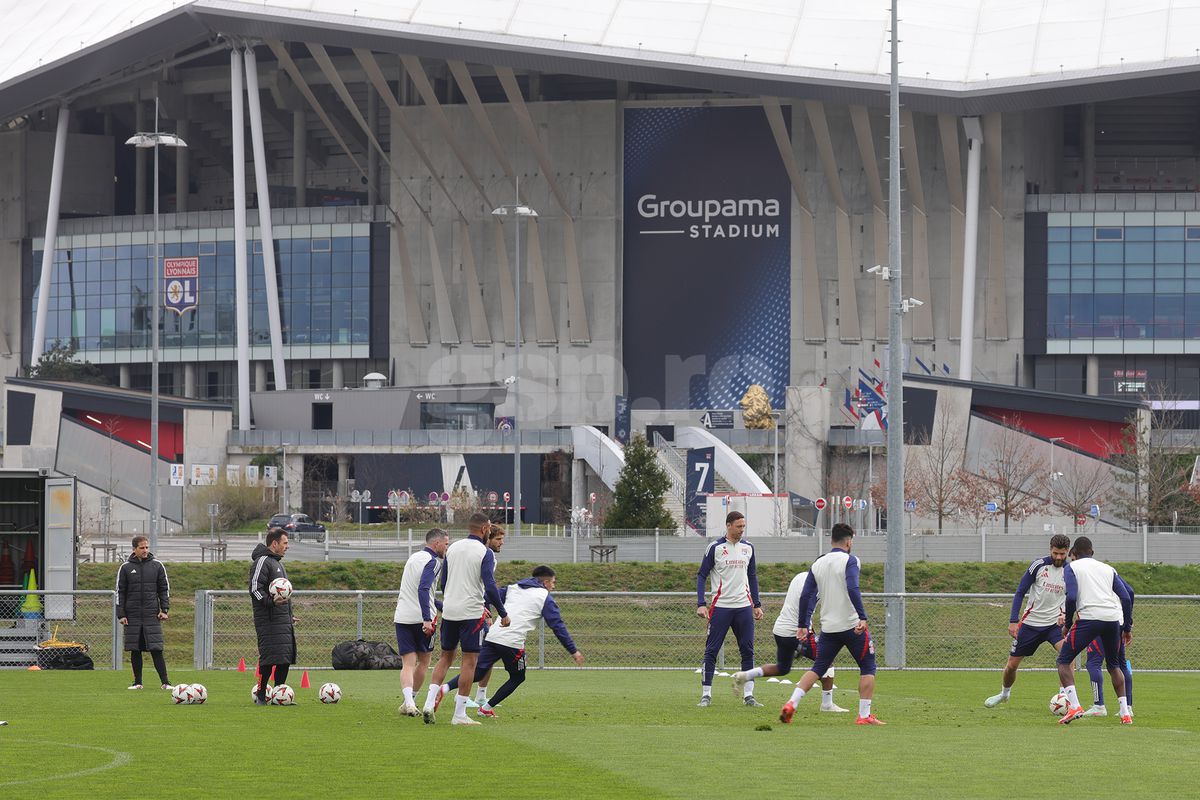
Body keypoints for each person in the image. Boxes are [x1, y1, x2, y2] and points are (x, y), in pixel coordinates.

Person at [445, 565, 584, 716]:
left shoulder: (513, 588)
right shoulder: (544, 597)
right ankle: (485, 708)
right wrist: (573, 651)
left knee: (477, 672)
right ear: (545, 582)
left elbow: (486, 597)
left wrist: (488, 615)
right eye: (553, 582)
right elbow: (558, 627)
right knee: (518, 677)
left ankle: (443, 688)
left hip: (493, 636)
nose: (553, 586)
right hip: (512, 643)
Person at [779, 523, 883, 725]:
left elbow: (806, 595)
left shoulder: (818, 563)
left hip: (828, 628)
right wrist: (862, 616)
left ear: (831, 540)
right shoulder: (850, 560)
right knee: (868, 666)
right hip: (852, 626)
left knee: (818, 667)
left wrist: (802, 624)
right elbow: (853, 587)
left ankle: (792, 703)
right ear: (849, 541)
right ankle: (864, 716)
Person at [422, 513, 510, 725]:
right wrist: (503, 612)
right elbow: (489, 586)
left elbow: (444, 582)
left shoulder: (452, 548)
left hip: (450, 611)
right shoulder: (485, 553)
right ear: (484, 529)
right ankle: (459, 714)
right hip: (471, 613)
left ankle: (428, 702)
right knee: (470, 662)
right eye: (489, 528)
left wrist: (451, 599)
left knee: (445, 657)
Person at [731, 568, 847, 712]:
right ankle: (827, 704)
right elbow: (807, 605)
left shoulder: (801, 575)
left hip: (780, 629)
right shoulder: (816, 583)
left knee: (782, 668)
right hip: (796, 631)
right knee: (826, 661)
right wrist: (803, 627)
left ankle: (745, 675)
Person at [983, 534, 1071, 708]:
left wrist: (1067, 616)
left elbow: (1074, 597)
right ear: (1050, 550)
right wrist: (1013, 620)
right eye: (1055, 553)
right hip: (1031, 624)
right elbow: (1020, 591)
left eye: (1062, 554)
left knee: (1068, 656)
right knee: (1011, 666)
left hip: (1055, 625)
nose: (1059, 557)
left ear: (1067, 552)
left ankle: (1064, 699)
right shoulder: (1038, 566)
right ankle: (1004, 694)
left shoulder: (1071, 571)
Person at [1056, 537, 1133, 725]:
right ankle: (1125, 713)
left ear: (1073, 554)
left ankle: (1074, 706)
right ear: (1092, 552)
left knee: (1064, 661)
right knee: (1113, 665)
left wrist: (1067, 623)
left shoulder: (1071, 567)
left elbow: (1072, 596)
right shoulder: (1108, 569)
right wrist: (1127, 627)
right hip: (1112, 621)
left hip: (1089, 619)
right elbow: (1126, 597)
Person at [695, 511, 763, 707]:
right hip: (721, 608)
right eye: (739, 526)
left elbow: (753, 576)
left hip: (743, 607)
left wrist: (756, 604)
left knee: (747, 651)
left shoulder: (748, 548)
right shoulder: (715, 548)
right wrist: (701, 603)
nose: (742, 530)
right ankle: (706, 694)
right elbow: (701, 575)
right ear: (728, 525)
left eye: (744, 526)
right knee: (712, 651)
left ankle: (748, 696)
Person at [394, 528, 449, 717]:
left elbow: (425, 593)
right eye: (446, 544)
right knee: (424, 662)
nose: (447, 547)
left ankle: (408, 703)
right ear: (437, 544)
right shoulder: (434, 562)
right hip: (422, 619)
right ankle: (412, 700)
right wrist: (426, 618)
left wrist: (443, 606)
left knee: (408, 664)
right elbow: (424, 589)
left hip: (402, 616)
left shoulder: (413, 558)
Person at [115, 535, 171, 690]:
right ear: (134, 549)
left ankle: (165, 683)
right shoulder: (125, 568)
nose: (145, 550)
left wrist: (164, 610)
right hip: (132, 616)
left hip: (151, 615)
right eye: (142, 547)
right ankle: (138, 683)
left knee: (156, 649)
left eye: (147, 547)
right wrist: (121, 614)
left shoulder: (157, 566)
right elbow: (120, 592)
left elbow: (164, 589)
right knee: (135, 650)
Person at [249, 528, 296, 706]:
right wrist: (270, 602)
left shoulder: (278, 563)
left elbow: (284, 595)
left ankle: (279, 694)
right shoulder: (262, 561)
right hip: (267, 619)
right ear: (274, 544)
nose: (287, 546)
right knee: (269, 657)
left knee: (284, 657)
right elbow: (255, 589)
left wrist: (290, 615)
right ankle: (261, 695)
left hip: (282, 619)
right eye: (285, 543)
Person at [1082, 573, 1134, 718]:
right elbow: (1129, 592)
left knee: (1093, 663)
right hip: (1118, 622)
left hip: (1100, 621)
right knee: (1120, 664)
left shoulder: (1089, 575)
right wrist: (1128, 618)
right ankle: (1127, 707)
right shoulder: (1109, 572)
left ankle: (1099, 705)